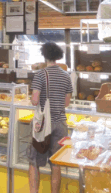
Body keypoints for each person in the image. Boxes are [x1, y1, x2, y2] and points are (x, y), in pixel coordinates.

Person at [27, 42, 72, 193]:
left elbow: (35, 100)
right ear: (58, 56)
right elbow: (66, 103)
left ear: (44, 56)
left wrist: (34, 99)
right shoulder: (66, 76)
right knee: (56, 163)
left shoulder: (40, 75)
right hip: (60, 123)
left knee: (34, 162)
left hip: (42, 125)